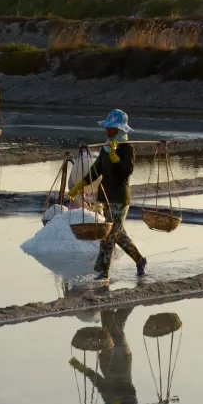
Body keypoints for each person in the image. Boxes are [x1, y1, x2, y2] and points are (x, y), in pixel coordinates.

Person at [66, 109, 147, 280]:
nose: (106, 131)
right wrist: (78, 186)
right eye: (107, 128)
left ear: (118, 130)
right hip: (106, 198)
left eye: (110, 128)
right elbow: (95, 172)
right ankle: (140, 260)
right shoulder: (105, 149)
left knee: (109, 235)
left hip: (119, 199)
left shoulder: (127, 149)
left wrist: (114, 156)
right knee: (118, 234)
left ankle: (103, 271)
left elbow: (126, 172)